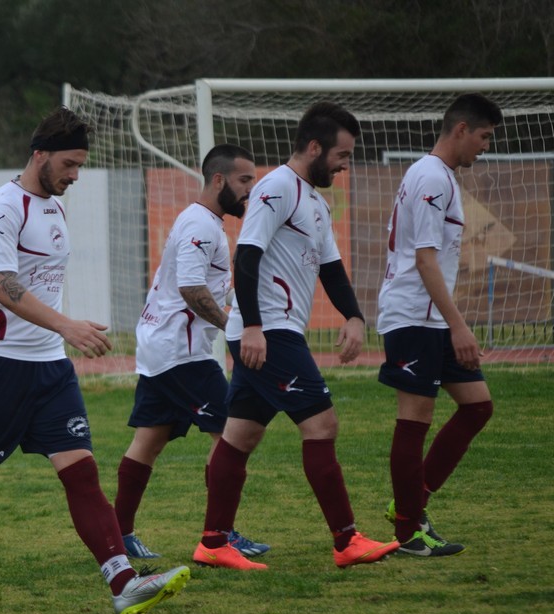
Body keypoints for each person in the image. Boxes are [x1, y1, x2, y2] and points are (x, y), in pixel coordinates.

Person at [0, 107, 190, 614]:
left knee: (82, 474)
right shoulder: (1, 207)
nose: (75, 175)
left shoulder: (54, 209)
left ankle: (123, 583)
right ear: (40, 156)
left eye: (80, 166)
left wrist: (59, 335)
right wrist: (67, 326)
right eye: (69, 164)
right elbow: (3, 286)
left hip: (49, 369)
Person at [194, 101, 399, 571]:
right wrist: (252, 326)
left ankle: (213, 542)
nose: (345, 165)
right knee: (322, 425)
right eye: (341, 155)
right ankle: (346, 539)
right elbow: (246, 255)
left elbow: (331, 267)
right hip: (268, 331)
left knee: (239, 436)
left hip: (272, 331)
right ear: (314, 147)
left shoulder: (316, 202)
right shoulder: (277, 187)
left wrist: (354, 316)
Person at [114, 144, 270, 560]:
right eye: (243, 180)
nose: (249, 190)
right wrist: (233, 327)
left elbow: (201, 285)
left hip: (162, 347)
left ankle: (119, 533)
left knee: (149, 439)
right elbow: (190, 287)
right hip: (181, 353)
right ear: (218, 180)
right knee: (233, 434)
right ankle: (221, 534)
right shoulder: (201, 224)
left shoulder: (201, 221)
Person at [377, 94, 502, 556]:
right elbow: (424, 258)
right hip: (415, 316)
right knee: (414, 418)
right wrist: (459, 326)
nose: (485, 147)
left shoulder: (439, 175)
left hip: (431, 318)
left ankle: (411, 503)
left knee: (477, 406)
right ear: (461, 129)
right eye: (484, 136)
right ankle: (408, 534)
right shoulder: (431, 176)